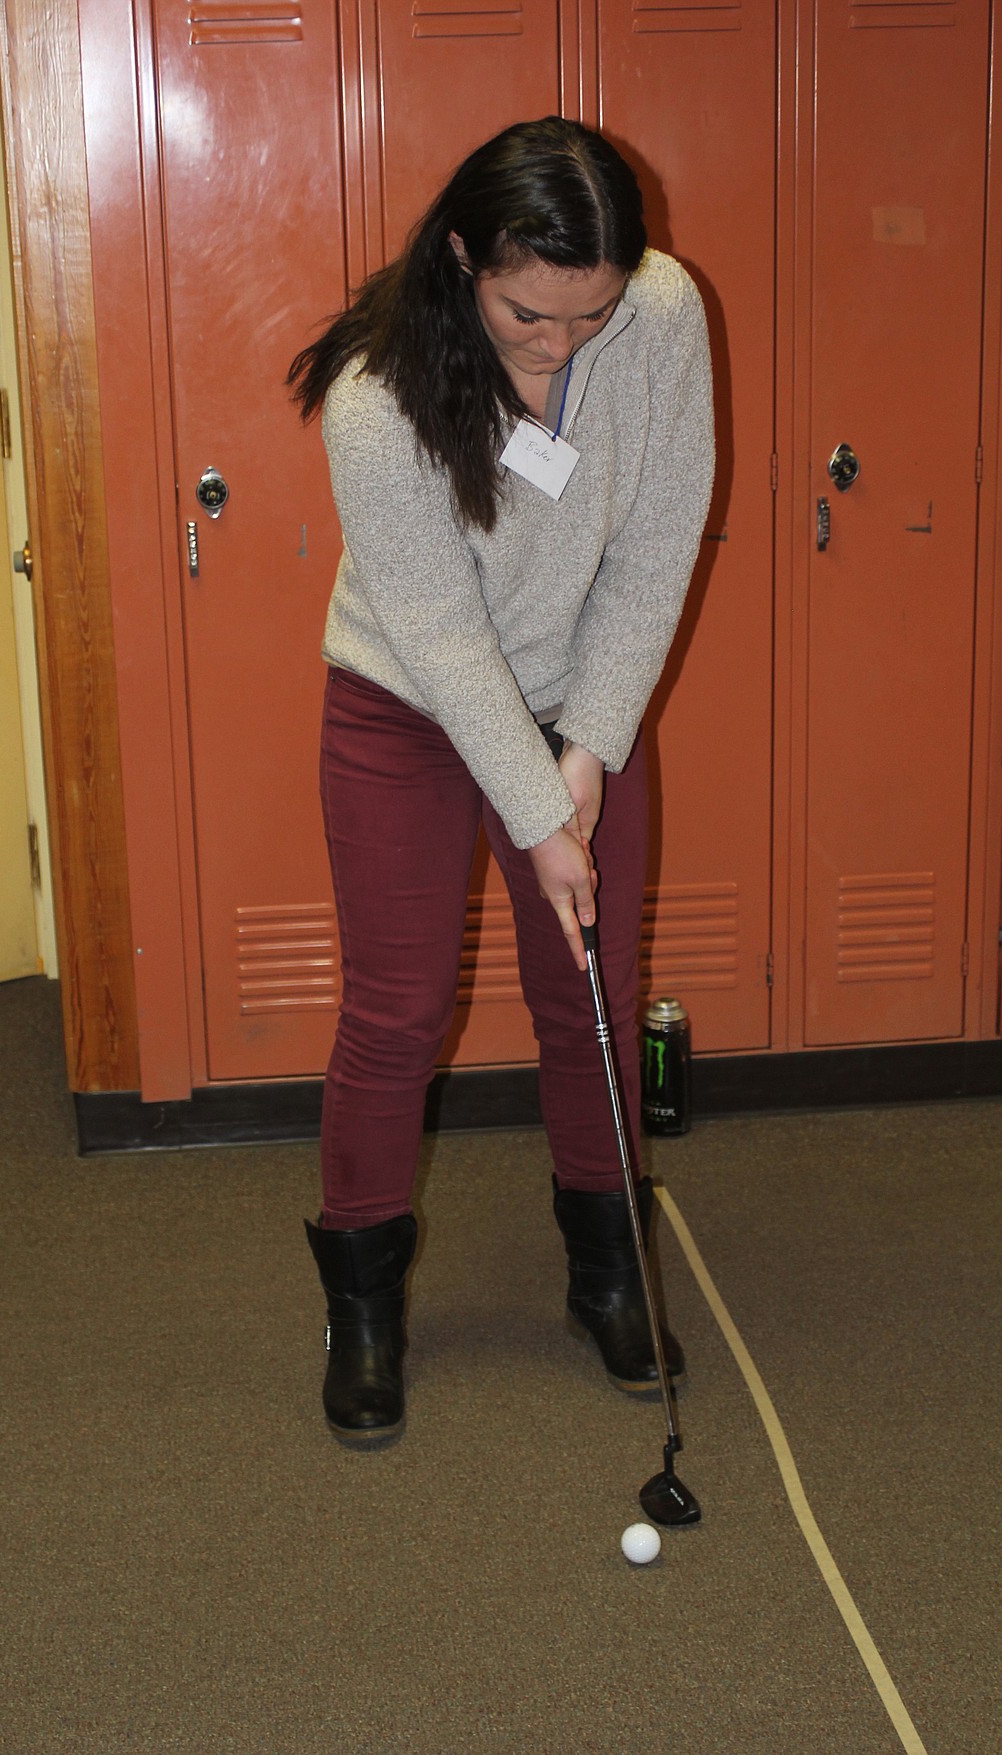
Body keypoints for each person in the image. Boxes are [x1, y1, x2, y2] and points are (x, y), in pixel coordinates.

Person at [288, 116, 714, 1448]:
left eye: (588, 316)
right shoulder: (376, 389)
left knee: (581, 984)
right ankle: (361, 1309)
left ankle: (603, 1274)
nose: (559, 343)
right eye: (530, 312)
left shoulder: (658, 315)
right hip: (409, 702)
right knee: (398, 1009)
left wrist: (586, 750)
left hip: (572, 693)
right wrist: (541, 819)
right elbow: (443, 632)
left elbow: (655, 550)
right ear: (465, 256)